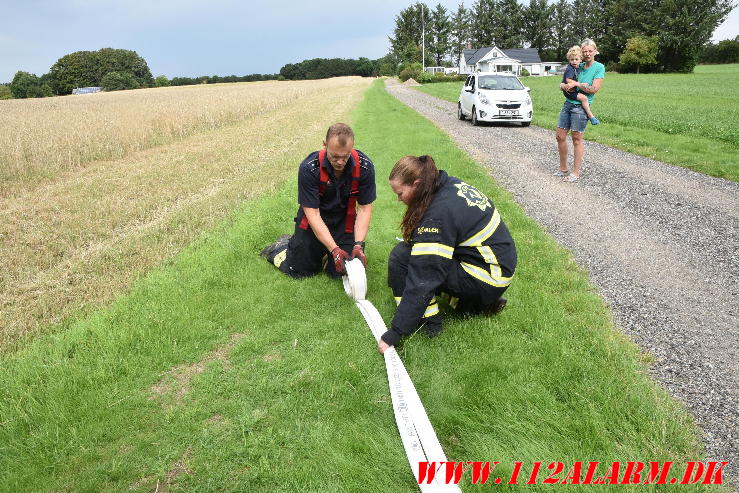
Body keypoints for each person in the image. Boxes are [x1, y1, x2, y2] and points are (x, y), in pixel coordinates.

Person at [379, 155, 517, 354]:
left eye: (400, 193)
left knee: (402, 258)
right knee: (414, 253)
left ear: (417, 184)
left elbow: (425, 276)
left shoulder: (438, 214)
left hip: (487, 278)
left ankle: (429, 323)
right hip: (496, 269)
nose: (398, 199)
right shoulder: (445, 186)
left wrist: (395, 332)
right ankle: (474, 305)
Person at [261, 123, 376, 278]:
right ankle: (281, 246)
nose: (340, 162)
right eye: (335, 156)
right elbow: (313, 214)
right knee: (299, 272)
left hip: (344, 223)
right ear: (324, 145)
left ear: (352, 147)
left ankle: (325, 257)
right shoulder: (309, 168)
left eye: (345, 156)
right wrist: (335, 250)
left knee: (344, 272)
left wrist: (358, 245)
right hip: (313, 222)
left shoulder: (365, 167)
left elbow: (364, 209)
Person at [555, 38, 605, 183]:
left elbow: (594, 89)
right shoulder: (578, 64)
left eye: (590, 51)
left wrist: (576, 84)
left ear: (595, 51)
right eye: (585, 51)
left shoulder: (599, 67)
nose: (588, 53)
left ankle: (575, 173)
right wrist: (562, 85)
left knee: (576, 139)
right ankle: (563, 169)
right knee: (560, 136)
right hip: (568, 104)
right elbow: (565, 81)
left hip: (580, 108)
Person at [562, 45, 600, 126]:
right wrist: (578, 84)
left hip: (571, 91)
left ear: (580, 60)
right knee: (584, 98)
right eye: (572, 60)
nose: (574, 61)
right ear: (569, 60)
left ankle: (591, 116)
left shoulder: (578, 67)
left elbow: (593, 89)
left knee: (584, 98)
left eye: (576, 59)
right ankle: (591, 116)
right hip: (570, 92)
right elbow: (568, 80)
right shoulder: (570, 68)